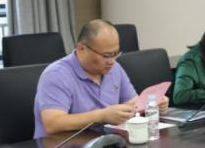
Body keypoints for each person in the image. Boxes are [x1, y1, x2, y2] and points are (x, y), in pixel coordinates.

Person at [33, 19, 168, 138]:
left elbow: (132, 103)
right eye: (106, 56)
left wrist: (151, 104)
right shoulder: (56, 74)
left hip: (104, 142)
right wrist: (101, 116)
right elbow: (53, 123)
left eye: (116, 54)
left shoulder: (114, 68)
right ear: (81, 48)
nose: (112, 61)